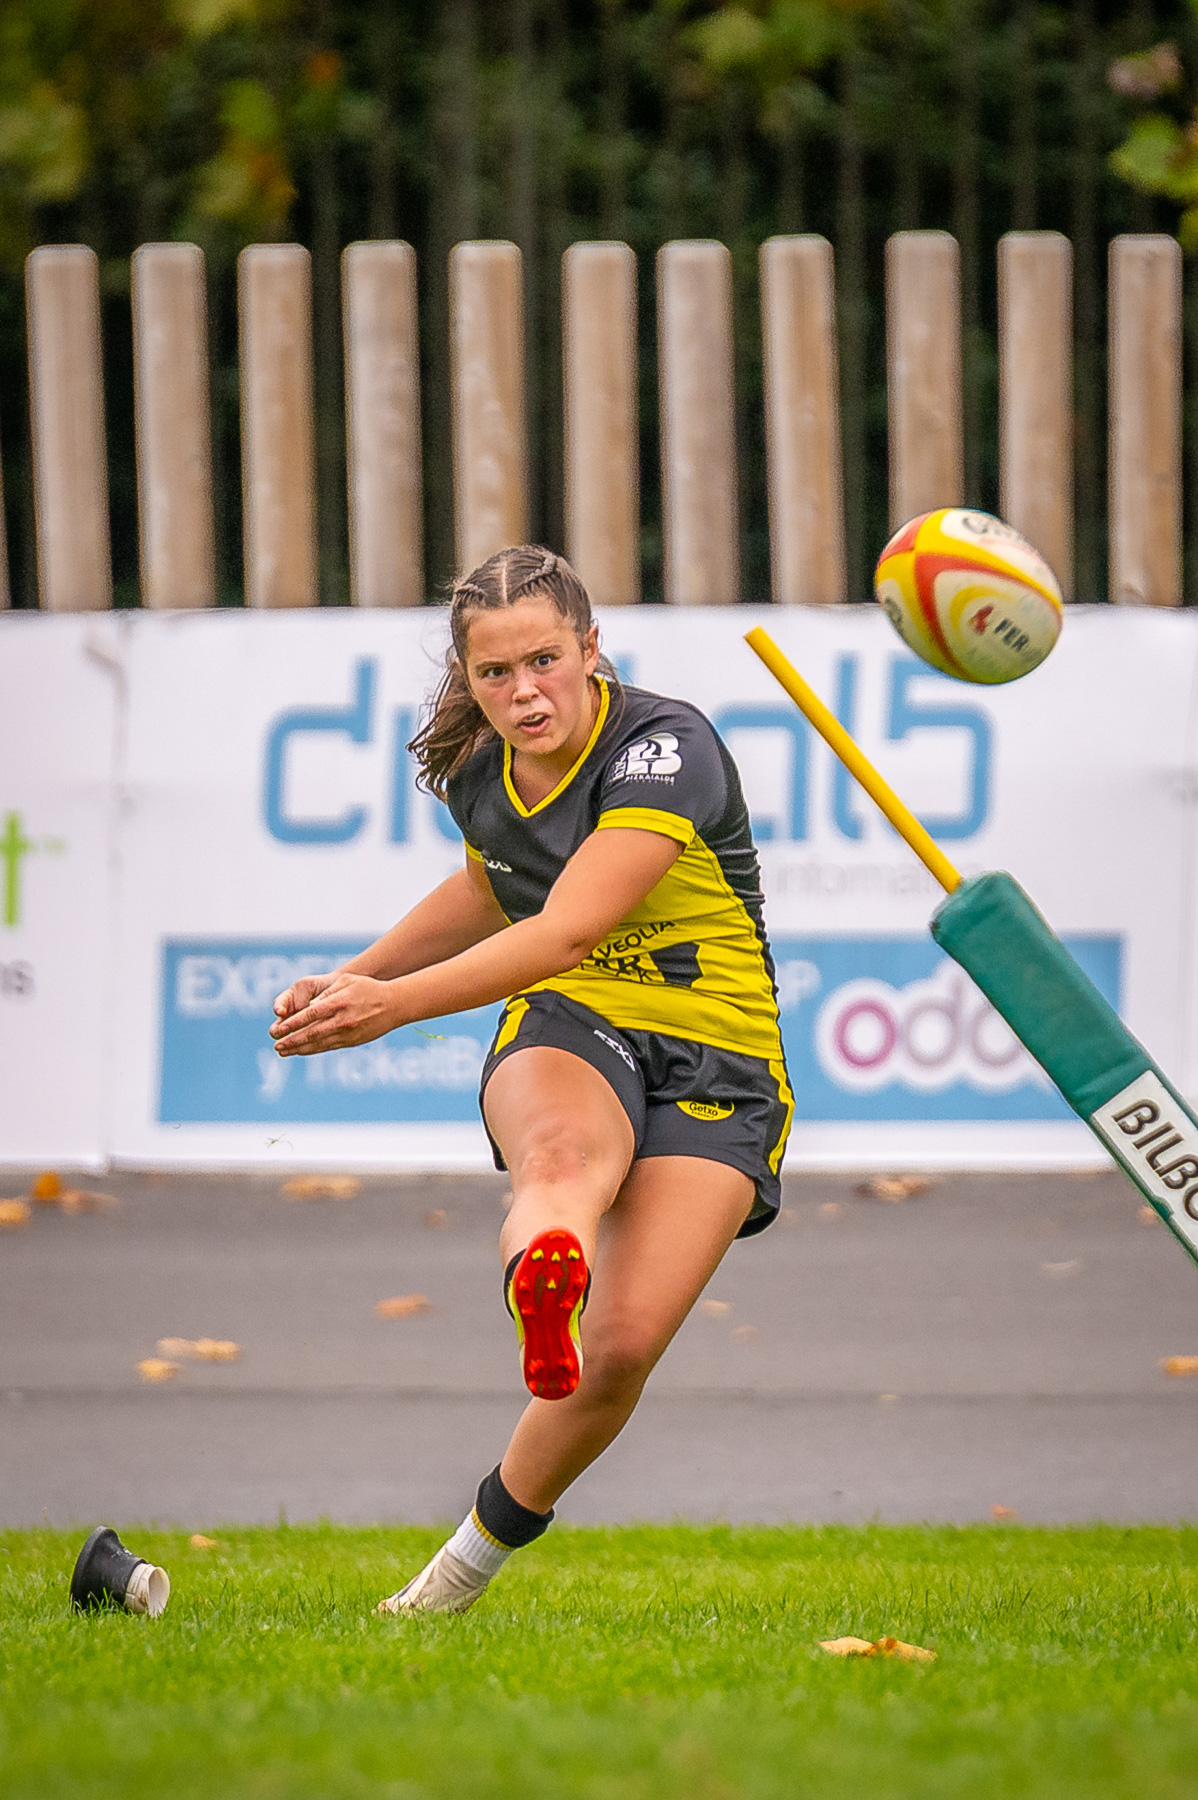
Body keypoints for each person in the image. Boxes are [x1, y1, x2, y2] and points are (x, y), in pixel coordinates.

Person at [269, 544, 793, 1613]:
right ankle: (546, 1268)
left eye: (544, 661)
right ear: (468, 678)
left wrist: (392, 1007)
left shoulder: (664, 746)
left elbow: (568, 926)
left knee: (621, 1351)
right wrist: (359, 975)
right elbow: (489, 887)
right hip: (573, 1017)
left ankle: (450, 1582)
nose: (523, 694)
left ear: (591, 649)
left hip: (723, 1051)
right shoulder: (480, 769)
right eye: (495, 673)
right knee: (558, 1162)